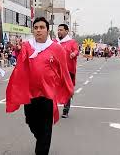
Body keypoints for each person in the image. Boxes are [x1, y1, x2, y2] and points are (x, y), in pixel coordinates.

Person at [6, 17, 74, 155]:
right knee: (31, 122)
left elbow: (64, 70)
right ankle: (41, 139)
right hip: (30, 93)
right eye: (36, 28)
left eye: (42, 27)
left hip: (47, 94)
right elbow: (20, 67)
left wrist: (69, 87)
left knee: (46, 127)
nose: (38, 30)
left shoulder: (56, 48)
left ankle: (42, 149)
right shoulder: (27, 46)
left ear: (47, 30)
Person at [56, 24, 79, 118]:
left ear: (66, 31)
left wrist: (73, 53)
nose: (59, 32)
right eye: (58, 30)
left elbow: (76, 50)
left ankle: (65, 110)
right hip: (56, 70)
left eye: (61, 30)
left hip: (69, 70)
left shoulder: (72, 42)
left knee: (67, 90)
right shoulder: (55, 42)